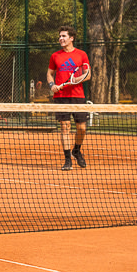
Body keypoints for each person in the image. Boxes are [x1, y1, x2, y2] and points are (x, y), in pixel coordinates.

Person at [47, 26, 90, 171]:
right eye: (60, 36)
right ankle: (67, 160)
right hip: (61, 97)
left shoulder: (82, 55)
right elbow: (49, 73)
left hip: (78, 96)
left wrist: (75, 80)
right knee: (65, 127)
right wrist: (52, 85)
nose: (61, 39)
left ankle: (76, 150)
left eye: (64, 36)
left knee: (82, 128)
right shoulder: (55, 56)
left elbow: (87, 74)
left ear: (71, 38)